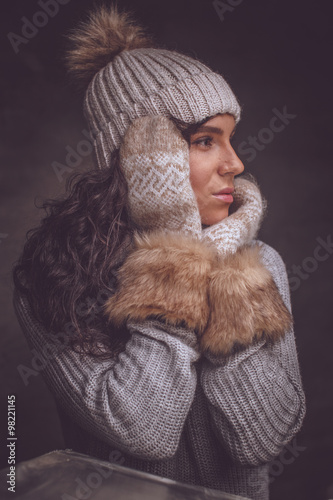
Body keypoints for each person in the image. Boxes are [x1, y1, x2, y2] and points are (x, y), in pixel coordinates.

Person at [12, 5, 306, 500]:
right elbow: (144, 429)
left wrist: (219, 281)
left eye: (231, 140)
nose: (235, 163)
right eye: (204, 141)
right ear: (144, 155)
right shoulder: (54, 279)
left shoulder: (257, 264)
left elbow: (264, 439)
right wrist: (175, 264)